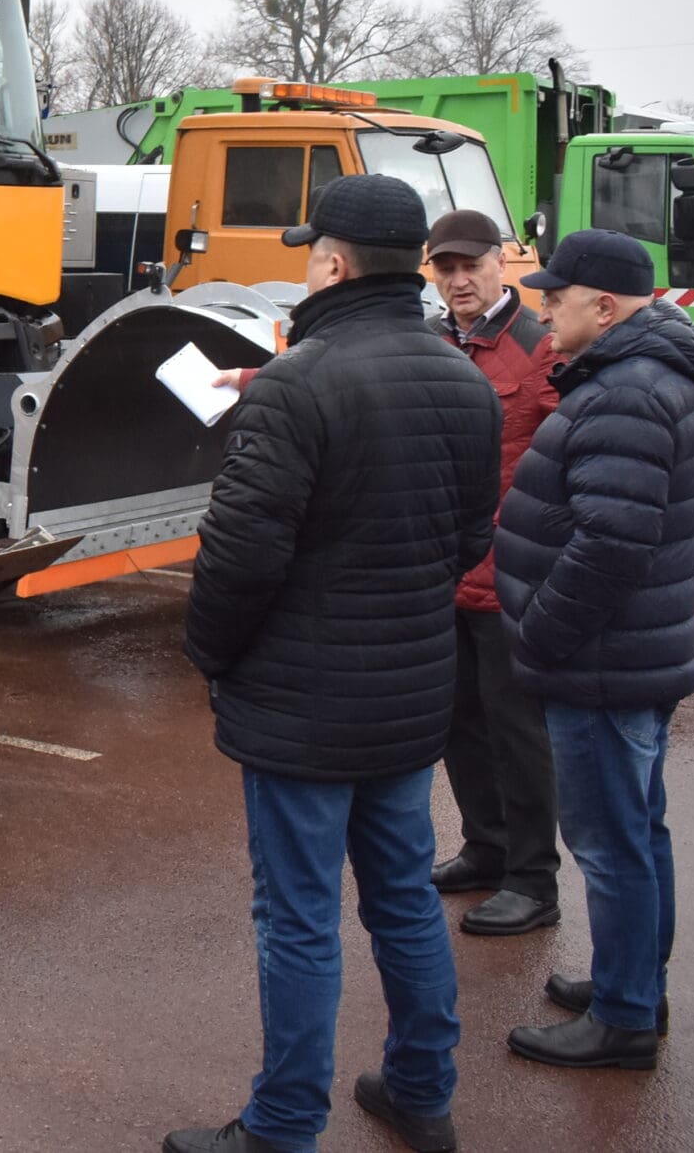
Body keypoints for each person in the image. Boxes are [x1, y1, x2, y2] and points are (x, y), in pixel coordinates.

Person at [164, 174, 503, 1153]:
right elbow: (469, 535)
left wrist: (210, 655)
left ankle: (279, 1127)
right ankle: (419, 1087)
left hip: (299, 705)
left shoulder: (300, 381)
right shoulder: (462, 381)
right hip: (405, 695)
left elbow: (238, 558)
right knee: (400, 894)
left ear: (332, 262)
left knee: (299, 916)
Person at [494, 228, 694, 1070]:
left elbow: (612, 544)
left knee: (610, 840)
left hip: (599, 660)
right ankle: (633, 982)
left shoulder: (626, 392)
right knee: (638, 828)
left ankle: (624, 1015)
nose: (544, 310)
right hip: (628, 654)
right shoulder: (643, 376)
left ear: (607, 306)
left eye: (557, 298)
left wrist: (542, 633)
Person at [423, 209, 564, 938]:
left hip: (509, 578)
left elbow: (574, 454)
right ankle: (486, 847)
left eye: (469, 266)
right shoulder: (437, 342)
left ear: (499, 265)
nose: (458, 280)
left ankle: (533, 880)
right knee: (457, 722)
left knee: (518, 733)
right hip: (447, 574)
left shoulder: (538, 349)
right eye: (444, 269)